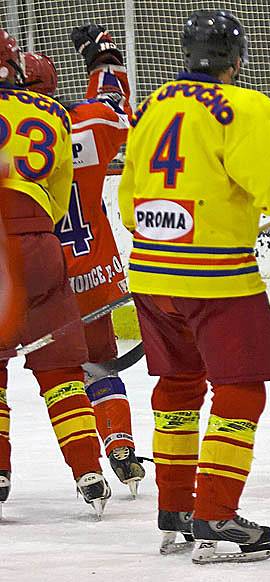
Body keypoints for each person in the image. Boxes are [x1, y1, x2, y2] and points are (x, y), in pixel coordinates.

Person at [117, 9, 270, 563]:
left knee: (177, 386)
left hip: (149, 274)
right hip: (217, 280)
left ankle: (174, 509)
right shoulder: (246, 106)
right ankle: (215, 515)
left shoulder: (151, 105)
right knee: (240, 391)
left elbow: (127, 202)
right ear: (237, 59)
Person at [23, 24, 146, 497]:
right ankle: (119, 444)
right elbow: (117, 106)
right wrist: (102, 56)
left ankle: (85, 471)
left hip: (38, 276)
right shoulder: (87, 123)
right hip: (94, 270)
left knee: (60, 373)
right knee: (100, 361)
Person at [0, 28, 111, 516]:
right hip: (42, 243)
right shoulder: (52, 112)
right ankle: (88, 470)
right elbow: (60, 187)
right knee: (63, 370)